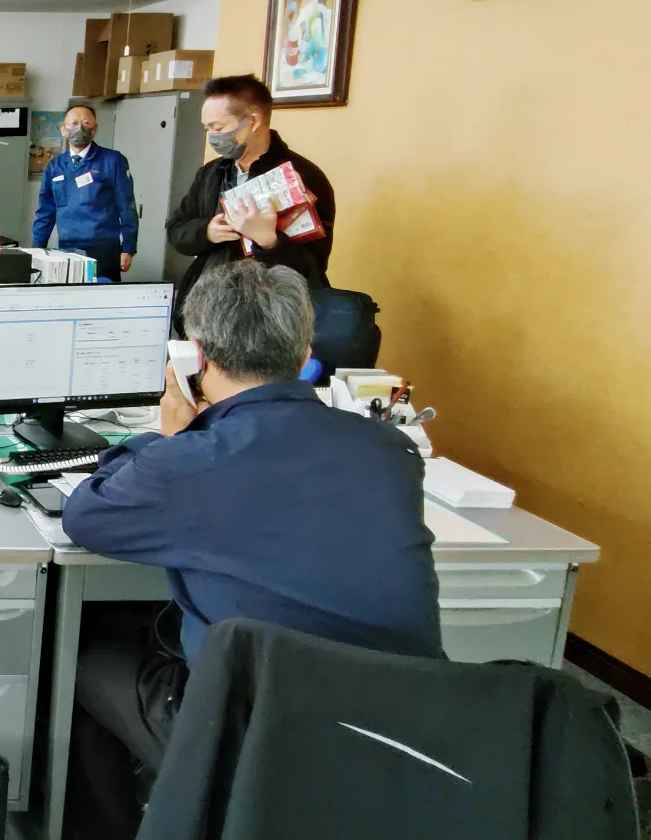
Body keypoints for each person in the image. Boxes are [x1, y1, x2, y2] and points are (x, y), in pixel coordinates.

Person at [60, 260, 440, 837]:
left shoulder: (192, 460)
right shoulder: (391, 449)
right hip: (399, 733)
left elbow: (85, 516)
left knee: (82, 664)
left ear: (196, 355)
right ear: (305, 346)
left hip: (254, 737)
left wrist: (169, 436)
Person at [165, 73, 335, 313]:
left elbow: (313, 267)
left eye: (218, 128)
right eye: (207, 128)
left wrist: (268, 241)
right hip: (212, 304)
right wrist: (207, 231)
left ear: (253, 121)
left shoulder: (302, 176)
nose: (212, 137)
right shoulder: (212, 173)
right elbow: (176, 229)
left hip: (269, 312)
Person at [30, 104, 138, 281]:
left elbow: (126, 206)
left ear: (94, 129)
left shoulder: (112, 160)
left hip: (103, 249)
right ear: (63, 130)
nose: (79, 127)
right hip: (67, 249)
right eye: (73, 123)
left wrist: (128, 248)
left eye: (86, 122)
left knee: (101, 301)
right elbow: (45, 212)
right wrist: (36, 250)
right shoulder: (55, 166)